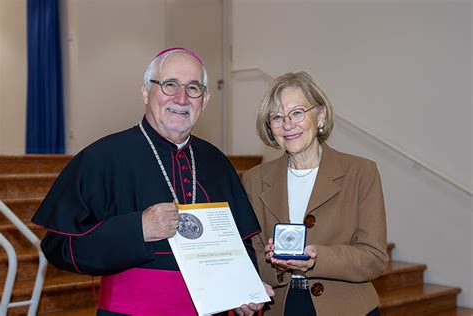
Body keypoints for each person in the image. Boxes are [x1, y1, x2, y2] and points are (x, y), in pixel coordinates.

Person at [32, 47, 271, 315]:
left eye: (193, 88)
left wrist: (244, 289)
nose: (181, 98)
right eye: (169, 85)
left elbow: (242, 244)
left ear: (204, 99)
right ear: (146, 92)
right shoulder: (102, 158)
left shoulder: (217, 163)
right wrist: (137, 230)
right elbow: (58, 248)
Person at [242, 71, 388, 315]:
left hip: (347, 307)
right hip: (281, 306)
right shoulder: (255, 179)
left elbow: (373, 257)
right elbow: (253, 255)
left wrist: (318, 257)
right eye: (277, 117)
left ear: (320, 116)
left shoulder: (361, 172)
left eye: (297, 112)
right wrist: (274, 263)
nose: (287, 124)